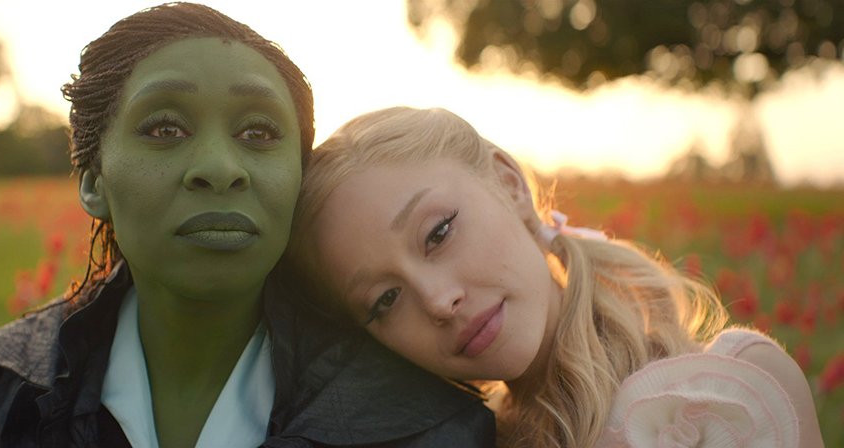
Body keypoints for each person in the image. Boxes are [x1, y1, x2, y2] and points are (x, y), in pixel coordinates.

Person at [0, 5, 493, 447]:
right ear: (93, 180)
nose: (219, 168)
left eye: (258, 132)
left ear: (299, 178)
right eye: (165, 129)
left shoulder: (428, 424)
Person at [286, 106, 824, 447]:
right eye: (385, 300)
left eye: (438, 233)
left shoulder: (732, 396)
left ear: (509, 184)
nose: (438, 301)